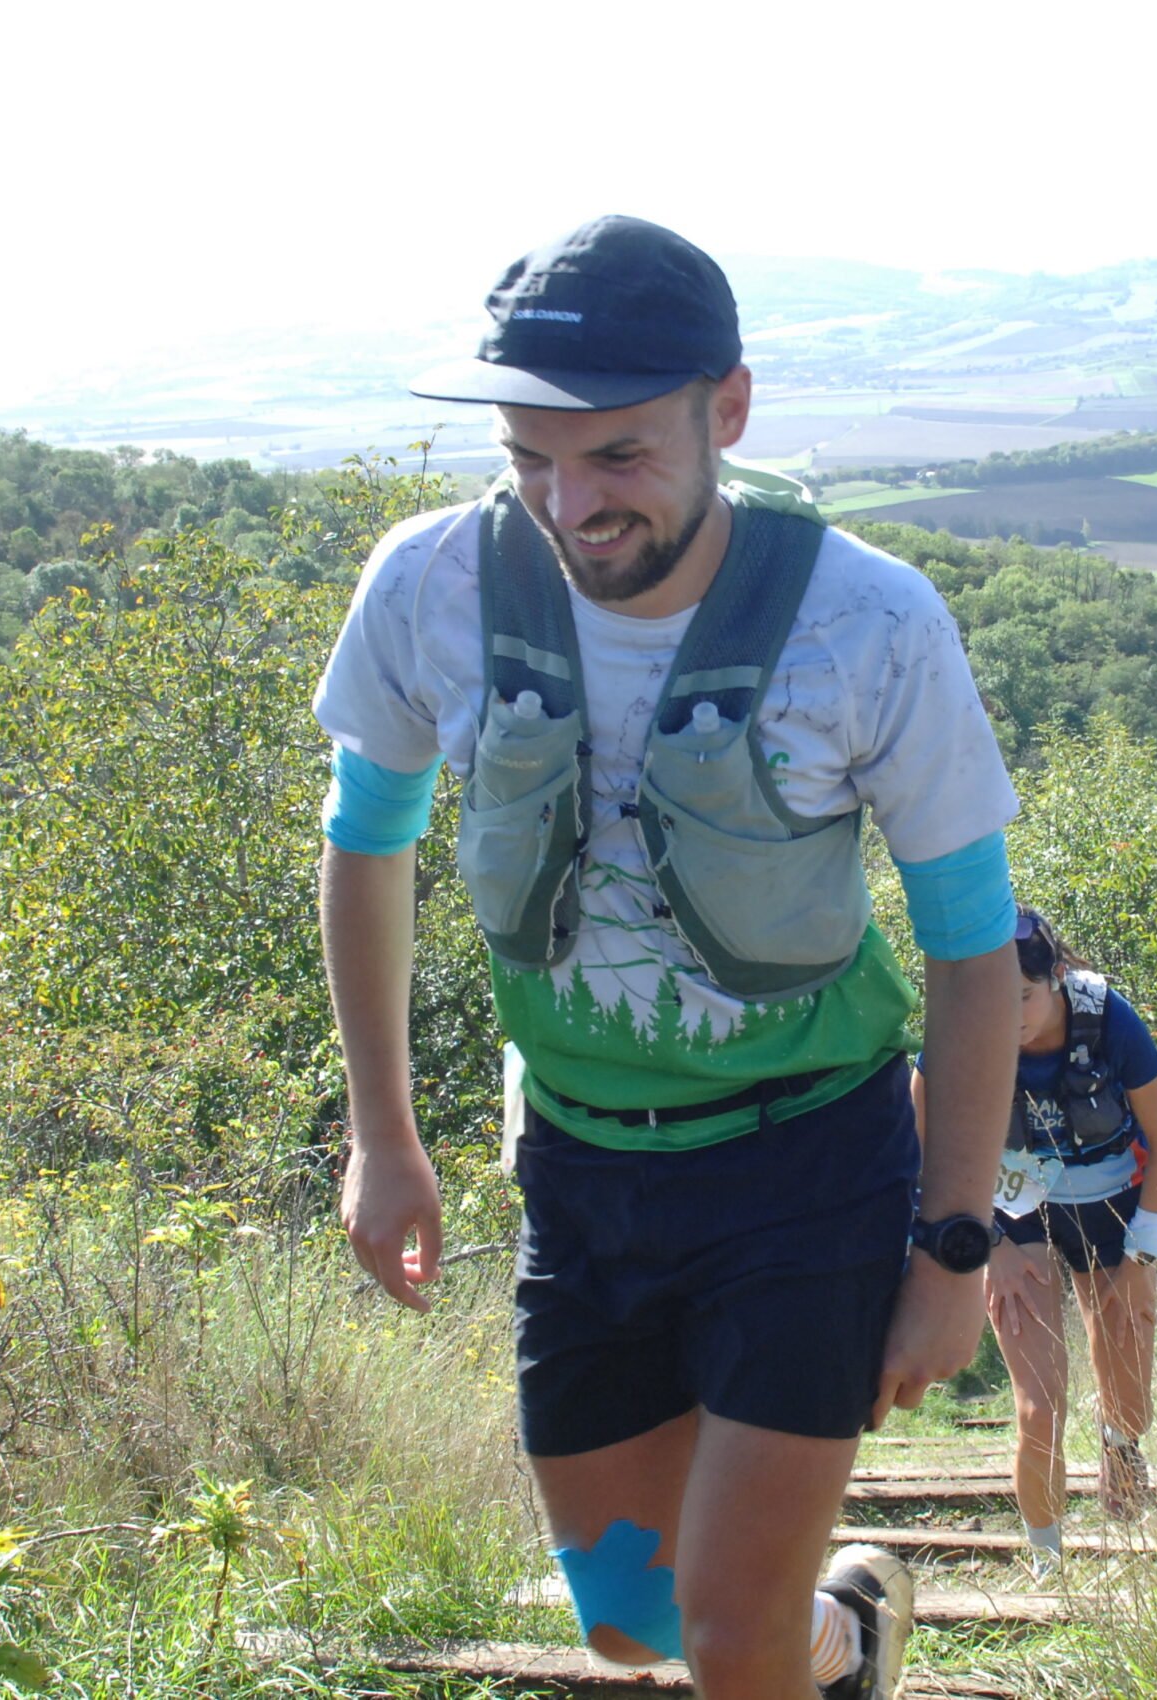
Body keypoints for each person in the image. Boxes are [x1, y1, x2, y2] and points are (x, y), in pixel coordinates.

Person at [311, 214, 1021, 1700]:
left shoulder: (868, 620)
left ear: (728, 410)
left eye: (619, 454)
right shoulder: (429, 586)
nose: (571, 503)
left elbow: (970, 948)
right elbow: (367, 840)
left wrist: (954, 1246)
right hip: (582, 1165)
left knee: (726, 1640)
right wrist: (384, 1133)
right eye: (530, 457)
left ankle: (786, 1638)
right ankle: (849, 1633)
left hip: (806, 1162)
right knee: (632, 1622)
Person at [919, 906, 1157, 1574]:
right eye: (995, 998)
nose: (1008, 1015)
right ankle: (1048, 1564)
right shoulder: (962, 1023)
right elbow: (920, 1147)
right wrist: (989, 1246)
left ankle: (1119, 1445)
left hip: (1115, 1204)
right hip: (1012, 1214)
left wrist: (1143, 1246)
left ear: (1057, 977)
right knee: (1040, 1406)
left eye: (1024, 997)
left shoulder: (1108, 1018)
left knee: (1130, 1389)